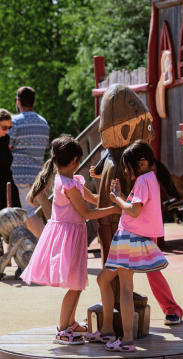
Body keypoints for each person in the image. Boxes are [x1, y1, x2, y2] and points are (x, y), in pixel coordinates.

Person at [21, 135, 121, 346]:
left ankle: (71, 323)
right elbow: (86, 213)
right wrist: (114, 209)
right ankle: (62, 329)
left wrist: (109, 190)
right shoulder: (69, 185)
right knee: (74, 285)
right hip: (68, 237)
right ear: (75, 161)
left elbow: (94, 198)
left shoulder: (68, 180)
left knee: (77, 283)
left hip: (69, 234)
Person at [85, 140, 183, 352]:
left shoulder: (143, 180)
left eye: (128, 167)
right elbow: (134, 207)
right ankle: (108, 330)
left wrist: (117, 200)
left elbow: (134, 211)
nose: (127, 172)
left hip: (128, 238)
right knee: (104, 279)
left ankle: (127, 339)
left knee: (126, 289)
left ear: (141, 163)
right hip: (128, 237)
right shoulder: (150, 179)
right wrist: (121, 196)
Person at [9, 86, 50, 238]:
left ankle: (47, 244)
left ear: (18, 101)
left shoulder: (15, 122)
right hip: (37, 175)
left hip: (18, 175)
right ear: (33, 101)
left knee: (27, 213)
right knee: (25, 214)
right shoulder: (43, 123)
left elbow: (7, 147)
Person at [0, 109, 21, 210]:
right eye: (4, 128)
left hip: (9, 186)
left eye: (10, 127)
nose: (7, 130)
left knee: (16, 221)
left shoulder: (5, 138)